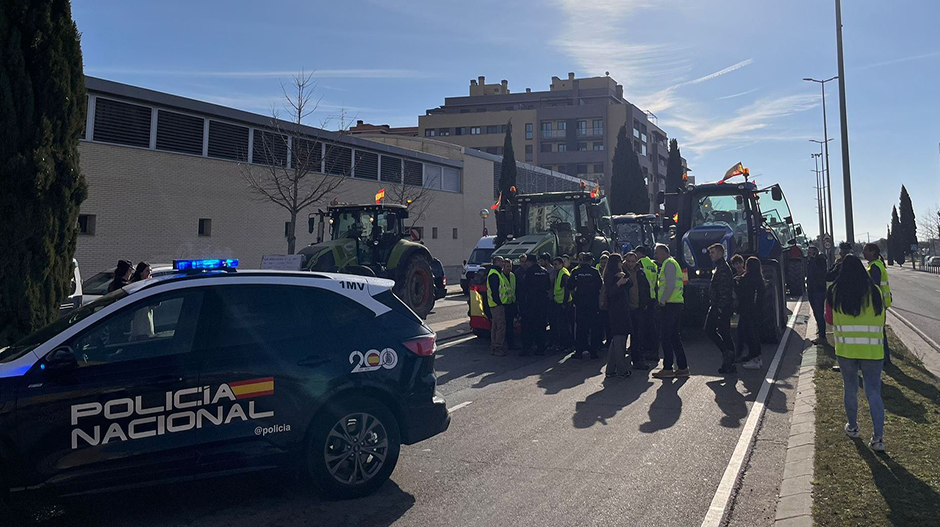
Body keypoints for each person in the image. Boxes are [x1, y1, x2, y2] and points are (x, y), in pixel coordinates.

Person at [828, 254, 887, 452]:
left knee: (850, 388)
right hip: (872, 349)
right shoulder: (875, 291)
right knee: (873, 392)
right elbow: (882, 317)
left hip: (846, 349)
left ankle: (853, 427)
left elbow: (829, 318)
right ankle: (878, 438)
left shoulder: (835, 291)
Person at [652, 244, 688, 379]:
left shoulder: (669, 264)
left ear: (663, 253)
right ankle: (682, 367)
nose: (655, 256)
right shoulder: (671, 263)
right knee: (674, 336)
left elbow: (670, 285)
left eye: (657, 253)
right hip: (675, 303)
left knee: (666, 336)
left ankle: (668, 368)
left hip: (670, 304)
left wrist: (662, 300)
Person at [705, 244, 736, 374]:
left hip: (721, 306)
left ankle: (729, 357)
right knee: (721, 331)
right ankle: (728, 358)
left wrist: (719, 309)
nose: (710, 255)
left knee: (718, 331)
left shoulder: (723, 269)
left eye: (713, 252)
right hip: (718, 305)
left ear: (720, 253)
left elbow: (724, 291)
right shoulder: (718, 267)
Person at [568, 252, 603, 359]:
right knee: (594, 328)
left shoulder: (576, 272)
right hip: (593, 303)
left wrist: (575, 296)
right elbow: (600, 286)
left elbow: (569, 286)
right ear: (591, 261)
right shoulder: (594, 272)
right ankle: (593, 351)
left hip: (580, 303)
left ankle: (579, 351)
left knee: (580, 328)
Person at [603, 254, 633, 377]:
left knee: (616, 341)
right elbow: (609, 293)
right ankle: (622, 369)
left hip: (623, 309)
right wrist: (619, 283)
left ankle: (610, 369)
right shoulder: (610, 276)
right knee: (620, 340)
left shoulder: (620, 273)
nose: (622, 263)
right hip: (616, 311)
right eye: (621, 262)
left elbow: (630, 283)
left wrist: (624, 272)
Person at [863, 243, 893, 366]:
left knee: (879, 331)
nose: (863, 253)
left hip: (877, 303)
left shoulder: (874, 267)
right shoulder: (875, 265)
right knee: (879, 330)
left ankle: (885, 358)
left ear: (873, 252)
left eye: (865, 250)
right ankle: (884, 357)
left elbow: (874, 286)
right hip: (880, 302)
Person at [622, 251, 652, 370]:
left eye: (633, 261)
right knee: (622, 336)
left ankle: (637, 360)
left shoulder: (640, 273)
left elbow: (646, 289)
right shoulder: (621, 273)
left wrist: (645, 304)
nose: (630, 264)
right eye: (628, 261)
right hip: (625, 309)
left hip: (638, 308)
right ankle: (620, 362)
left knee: (638, 336)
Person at [736, 257, 765, 370]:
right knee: (754, 334)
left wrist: (737, 283)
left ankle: (755, 359)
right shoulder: (759, 279)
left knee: (749, 335)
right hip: (756, 311)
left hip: (747, 310)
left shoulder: (747, 279)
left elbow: (741, 294)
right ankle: (758, 357)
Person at [520, 254, 551, 356]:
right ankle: (540, 348)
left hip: (531, 303)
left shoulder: (529, 272)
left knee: (528, 326)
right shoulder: (544, 272)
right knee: (541, 326)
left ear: (529, 262)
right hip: (543, 303)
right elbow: (548, 286)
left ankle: (527, 348)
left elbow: (524, 288)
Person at [635, 246, 660, 361]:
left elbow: (640, 283)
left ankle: (645, 348)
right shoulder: (653, 264)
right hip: (653, 297)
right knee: (651, 324)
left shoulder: (639, 263)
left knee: (643, 325)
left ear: (639, 253)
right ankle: (653, 348)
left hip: (643, 298)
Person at [487, 256, 509, 356]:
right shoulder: (494, 274)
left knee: (495, 327)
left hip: (494, 304)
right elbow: (495, 291)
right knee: (500, 327)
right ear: (496, 262)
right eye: (501, 261)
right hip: (497, 305)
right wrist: (499, 303)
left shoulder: (496, 273)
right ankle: (497, 347)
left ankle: (494, 347)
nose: (503, 263)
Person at [550, 256, 574, 352]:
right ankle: (563, 344)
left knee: (564, 325)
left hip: (564, 303)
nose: (554, 266)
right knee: (561, 325)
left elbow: (567, 290)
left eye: (556, 264)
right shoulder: (558, 272)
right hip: (558, 301)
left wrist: (564, 303)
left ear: (561, 264)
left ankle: (567, 345)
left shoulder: (564, 273)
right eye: (554, 264)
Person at [807, 246, 828, 344]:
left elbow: (817, 272)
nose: (809, 253)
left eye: (811, 252)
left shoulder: (820, 260)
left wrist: (812, 260)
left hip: (818, 290)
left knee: (819, 313)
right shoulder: (811, 261)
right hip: (812, 290)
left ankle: (822, 336)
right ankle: (820, 333)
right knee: (816, 312)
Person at [502, 258, 520, 351]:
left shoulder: (513, 275)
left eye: (510, 266)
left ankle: (511, 343)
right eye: (508, 266)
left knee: (510, 325)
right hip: (503, 304)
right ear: (503, 266)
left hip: (511, 303)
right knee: (503, 325)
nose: (509, 268)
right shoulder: (500, 276)